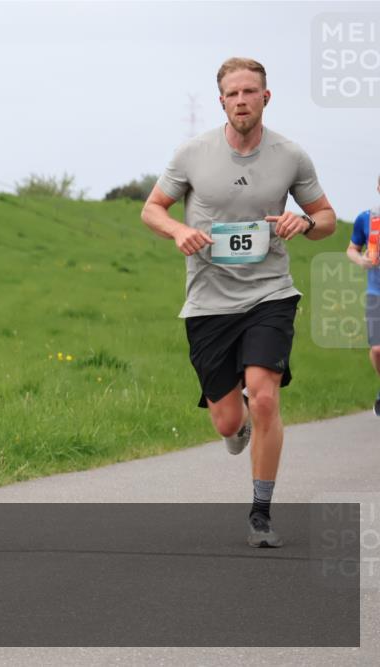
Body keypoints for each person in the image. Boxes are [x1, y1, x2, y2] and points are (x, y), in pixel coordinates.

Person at [141, 57, 336, 547]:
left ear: (265, 98)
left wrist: (305, 223)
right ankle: (237, 422)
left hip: (270, 293)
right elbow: (152, 209)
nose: (242, 100)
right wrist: (180, 230)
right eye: (233, 94)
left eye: (251, 91)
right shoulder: (193, 153)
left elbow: (328, 217)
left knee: (265, 394)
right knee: (229, 420)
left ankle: (261, 514)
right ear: (222, 101)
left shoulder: (291, 155)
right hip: (208, 300)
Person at [346, 176, 380, 416]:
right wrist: (362, 260)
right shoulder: (366, 218)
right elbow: (351, 249)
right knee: (378, 350)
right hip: (375, 292)